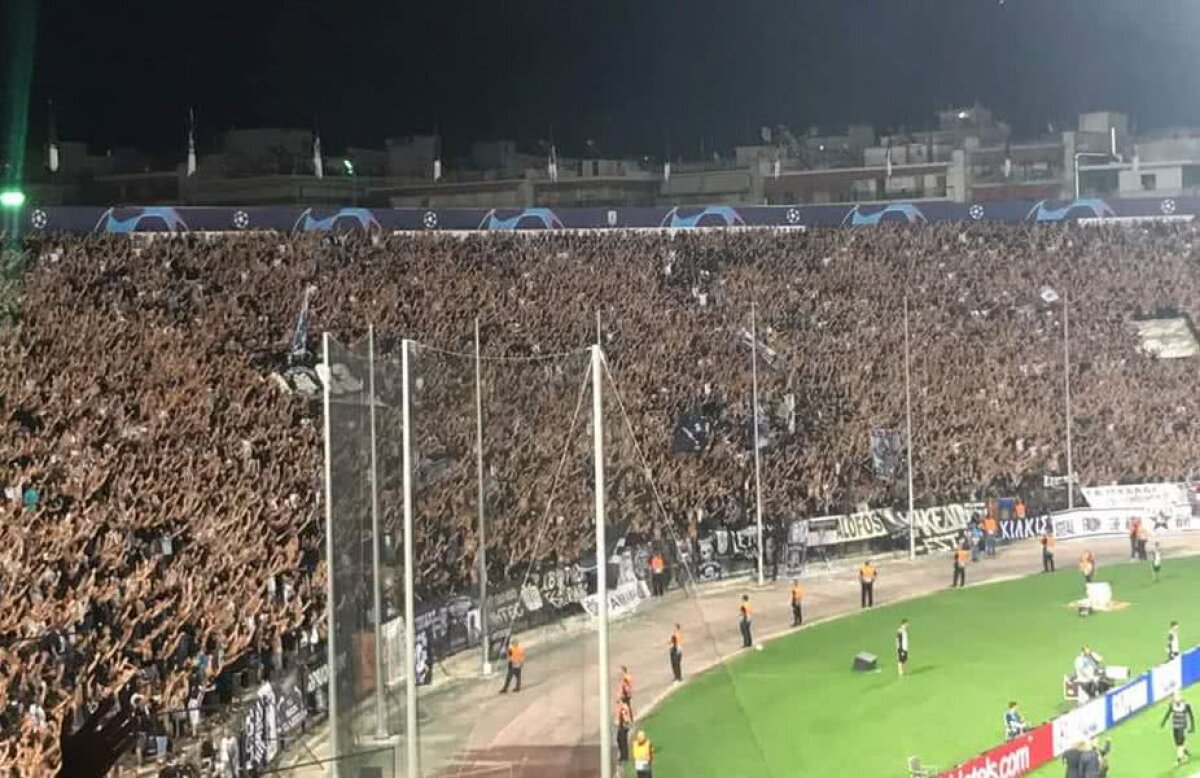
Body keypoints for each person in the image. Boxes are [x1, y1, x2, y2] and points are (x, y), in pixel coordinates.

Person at [1161, 692, 1195, 765]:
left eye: (1178, 699)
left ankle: (1179, 760)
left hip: (1181, 726)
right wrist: (1163, 722)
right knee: (1177, 743)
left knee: (1179, 743)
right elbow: (1168, 713)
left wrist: (1192, 727)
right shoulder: (1173, 706)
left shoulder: (1186, 706)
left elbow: (1191, 716)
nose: (1177, 701)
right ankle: (1184, 751)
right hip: (1175, 726)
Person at [614, 699, 633, 765]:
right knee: (619, 739)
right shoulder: (622, 706)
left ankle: (624, 757)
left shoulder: (624, 707)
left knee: (622, 740)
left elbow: (625, 716)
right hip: (622, 725)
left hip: (624, 725)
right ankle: (622, 755)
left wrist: (627, 723)